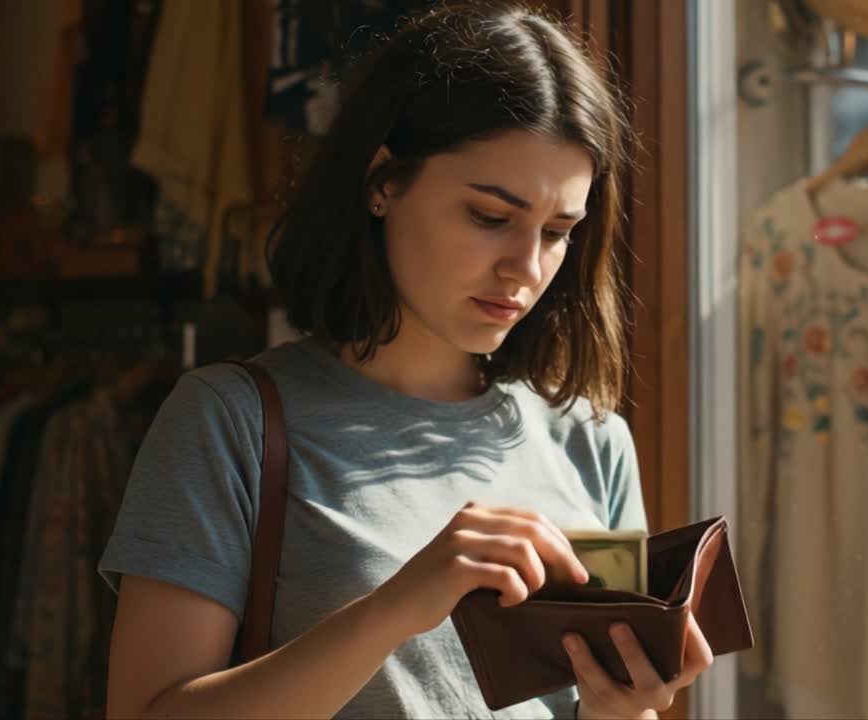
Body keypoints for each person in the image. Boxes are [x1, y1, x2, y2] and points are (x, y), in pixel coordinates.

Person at [98, 2, 714, 718]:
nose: (525, 266)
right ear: (383, 181)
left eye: (557, 231)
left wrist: (625, 710)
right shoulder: (229, 422)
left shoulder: (592, 442)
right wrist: (396, 607)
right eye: (490, 217)